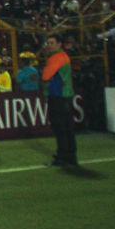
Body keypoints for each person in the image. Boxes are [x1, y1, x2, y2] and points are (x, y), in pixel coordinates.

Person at [42, 35, 77, 166]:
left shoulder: (57, 58)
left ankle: (63, 157)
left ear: (59, 44)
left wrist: (46, 69)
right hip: (64, 96)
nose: (49, 45)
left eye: (52, 43)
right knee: (67, 128)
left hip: (59, 97)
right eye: (48, 43)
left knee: (60, 128)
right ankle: (70, 156)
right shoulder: (63, 56)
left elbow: (46, 76)